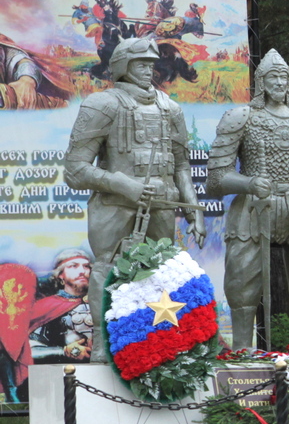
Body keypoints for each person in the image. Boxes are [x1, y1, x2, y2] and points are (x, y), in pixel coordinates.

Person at [65, 37, 206, 362]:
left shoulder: (171, 108)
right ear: (122, 67)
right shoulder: (102, 105)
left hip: (160, 206)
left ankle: (158, 345)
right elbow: (74, 170)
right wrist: (121, 184)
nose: (149, 70)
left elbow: (182, 165)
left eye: (150, 63)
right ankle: (102, 345)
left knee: (159, 273)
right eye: (140, 64)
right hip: (115, 207)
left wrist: (191, 208)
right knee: (107, 271)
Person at [207, 49, 289, 349]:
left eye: (284, 77)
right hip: (252, 210)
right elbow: (215, 180)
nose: (279, 82)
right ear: (261, 82)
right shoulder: (241, 118)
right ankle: (242, 349)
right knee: (242, 284)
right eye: (272, 77)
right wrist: (249, 182)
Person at [29, 248, 93, 363]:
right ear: (60, 275)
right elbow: (29, 351)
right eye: (73, 266)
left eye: (86, 266)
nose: (82, 271)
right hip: (60, 373)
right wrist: (64, 351)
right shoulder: (45, 306)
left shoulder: (103, 303)